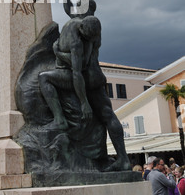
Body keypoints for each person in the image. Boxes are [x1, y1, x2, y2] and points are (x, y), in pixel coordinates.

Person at [39, 12, 131, 172]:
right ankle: (123, 159)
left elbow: (77, 72)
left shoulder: (76, 41)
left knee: (44, 78)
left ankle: (59, 119)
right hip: (97, 77)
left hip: (87, 79)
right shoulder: (94, 33)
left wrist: (84, 103)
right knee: (109, 116)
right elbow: (71, 9)